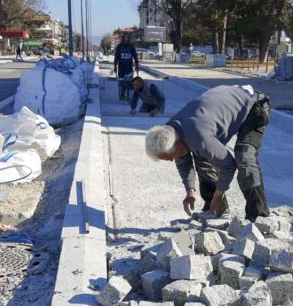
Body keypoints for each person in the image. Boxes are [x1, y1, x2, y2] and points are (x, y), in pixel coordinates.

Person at [145, 85, 270, 221]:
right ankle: (216, 210)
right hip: (228, 103)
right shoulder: (171, 131)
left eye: (169, 157)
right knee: (202, 159)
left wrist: (218, 195)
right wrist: (190, 191)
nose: (171, 160)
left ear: (178, 144)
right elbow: (184, 163)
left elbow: (228, 166)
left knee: (244, 157)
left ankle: (258, 216)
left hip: (254, 105)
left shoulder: (199, 137)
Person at [114, 33, 139, 101]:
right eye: (125, 38)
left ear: (129, 38)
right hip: (121, 67)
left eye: (127, 38)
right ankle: (122, 95)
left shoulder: (131, 46)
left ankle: (129, 96)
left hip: (129, 67)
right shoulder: (119, 46)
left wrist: (137, 65)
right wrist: (115, 66)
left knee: (129, 82)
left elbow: (135, 56)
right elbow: (116, 57)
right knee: (121, 82)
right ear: (123, 38)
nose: (126, 39)